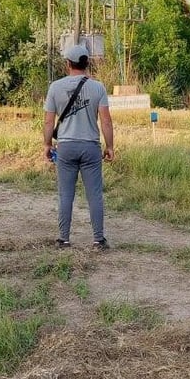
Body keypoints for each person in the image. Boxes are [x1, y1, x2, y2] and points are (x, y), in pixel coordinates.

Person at [43, 43, 115, 250]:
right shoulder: (98, 87)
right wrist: (110, 146)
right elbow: (106, 121)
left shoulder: (55, 87)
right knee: (94, 194)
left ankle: (64, 239)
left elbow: (49, 122)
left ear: (67, 64)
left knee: (66, 194)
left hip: (66, 147)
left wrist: (47, 144)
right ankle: (98, 240)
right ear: (87, 63)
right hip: (90, 147)